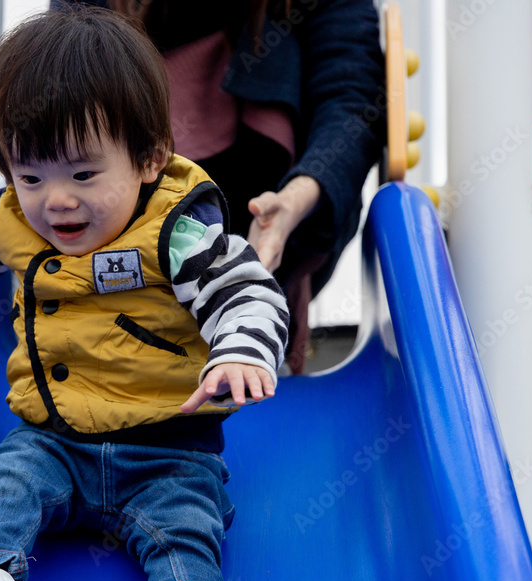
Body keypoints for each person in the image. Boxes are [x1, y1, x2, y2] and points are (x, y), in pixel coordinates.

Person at [0, 7, 288, 581]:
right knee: (5, 485)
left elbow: (244, 289)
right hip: (54, 440)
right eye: (31, 175)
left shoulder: (174, 230)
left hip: (168, 446)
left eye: (83, 174)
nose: (56, 200)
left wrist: (240, 350)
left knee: (188, 518)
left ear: (149, 158)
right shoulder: (8, 216)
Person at [57, 0, 387, 373]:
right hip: (124, 247)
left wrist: (292, 203)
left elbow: (353, 100)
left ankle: (250, 333)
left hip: (268, 226)